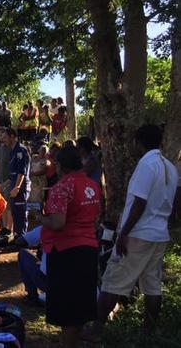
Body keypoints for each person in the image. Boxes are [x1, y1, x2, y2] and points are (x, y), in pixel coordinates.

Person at [87, 125, 178, 341]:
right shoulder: (170, 167)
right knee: (152, 285)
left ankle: (96, 329)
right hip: (158, 233)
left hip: (138, 234)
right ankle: (149, 331)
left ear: (139, 142)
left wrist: (124, 232)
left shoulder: (147, 164)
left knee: (113, 280)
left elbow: (139, 202)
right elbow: (174, 202)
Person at [36, 145, 102, 348]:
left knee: (68, 311)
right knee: (80, 305)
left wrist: (39, 217)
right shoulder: (92, 185)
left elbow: (57, 223)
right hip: (89, 249)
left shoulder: (62, 187)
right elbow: (96, 218)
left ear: (61, 165)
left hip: (66, 252)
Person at [0, 127, 31, 237]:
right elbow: (13, 173)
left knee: (20, 212)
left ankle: (22, 236)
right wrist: (4, 185)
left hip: (21, 186)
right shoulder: (12, 151)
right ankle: (17, 236)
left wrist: (17, 187)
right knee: (15, 212)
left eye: (4, 137)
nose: (2, 140)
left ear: (12, 136)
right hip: (14, 185)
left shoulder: (21, 150)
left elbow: (21, 172)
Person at [15, 226, 47, 306]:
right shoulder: (80, 228)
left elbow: (19, 241)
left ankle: (32, 297)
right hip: (75, 287)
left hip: (51, 283)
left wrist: (40, 243)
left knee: (23, 254)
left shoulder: (46, 227)